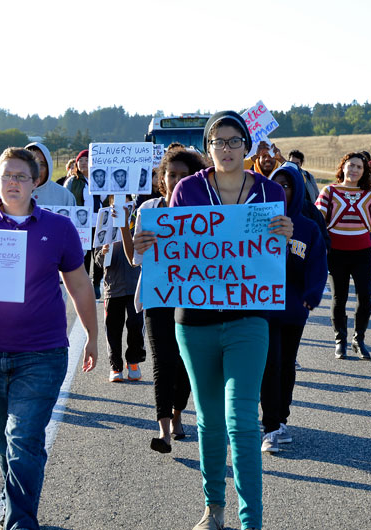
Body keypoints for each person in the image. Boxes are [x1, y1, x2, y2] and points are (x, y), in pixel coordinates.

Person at [133, 111, 292, 530]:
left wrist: (288, 234)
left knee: (241, 419)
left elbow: (285, 253)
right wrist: (145, 243)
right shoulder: (186, 190)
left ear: (248, 144)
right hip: (194, 321)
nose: (226, 148)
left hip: (249, 317)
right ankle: (213, 507)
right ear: (208, 148)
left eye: (234, 140)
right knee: (209, 419)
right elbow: (169, 247)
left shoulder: (271, 192)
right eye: (217, 142)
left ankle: (251, 520)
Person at [0, 147, 98, 530]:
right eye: (6, 176)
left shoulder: (59, 228)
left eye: (21, 176)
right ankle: (17, 502)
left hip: (41, 352)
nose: (13, 183)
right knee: (4, 443)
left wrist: (92, 335)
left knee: (23, 439)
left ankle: (20, 521)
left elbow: (80, 284)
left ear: (36, 181)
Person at [125, 147, 206, 454]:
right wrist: (138, 241)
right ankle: (163, 432)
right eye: (171, 175)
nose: (176, 181)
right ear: (162, 178)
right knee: (162, 360)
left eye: (184, 175)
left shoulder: (207, 210)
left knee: (186, 361)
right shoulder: (149, 209)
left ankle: (177, 412)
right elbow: (136, 259)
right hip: (158, 295)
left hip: (194, 297)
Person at [260, 163, 327, 454]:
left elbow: (317, 265)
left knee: (286, 364)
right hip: (261, 307)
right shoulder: (257, 221)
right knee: (269, 364)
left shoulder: (308, 227)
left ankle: (281, 419)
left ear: (297, 190)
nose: (282, 190)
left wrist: (312, 295)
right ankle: (270, 427)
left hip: (293, 309)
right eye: (277, 185)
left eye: (287, 185)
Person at [315, 152, 371, 360]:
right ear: (343, 167)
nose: (354, 170)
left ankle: (359, 339)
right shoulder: (329, 191)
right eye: (351, 165)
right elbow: (318, 218)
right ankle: (340, 340)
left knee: (364, 299)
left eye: (359, 167)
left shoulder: (370, 194)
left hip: (362, 252)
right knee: (339, 299)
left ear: (364, 171)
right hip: (335, 253)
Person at [95, 196, 145, 384]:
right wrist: (103, 253)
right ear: (110, 205)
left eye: (126, 202)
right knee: (113, 329)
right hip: (112, 286)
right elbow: (98, 260)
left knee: (135, 324)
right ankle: (115, 366)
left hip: (135, 284)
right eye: (116, 203)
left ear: (131, 205)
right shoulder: (105, 224)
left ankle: (133, 361)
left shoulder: (138, 222)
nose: (121, 206)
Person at [65, 149, 104, 298]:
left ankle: (96, 283)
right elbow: (67, 201)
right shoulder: (73, 181)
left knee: (99, 253)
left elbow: (108, 198)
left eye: (86, 160)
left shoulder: (100, 178)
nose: (83, 163)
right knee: (85, 255)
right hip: (82, 223)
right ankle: (86, 284)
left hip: (100, 221)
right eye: (80, 161)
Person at [25, 142, 76, 206]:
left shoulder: (65, 196)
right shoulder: (12, 194)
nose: (36, 169)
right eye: (31, 164)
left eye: (41, 164)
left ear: (48, 167)